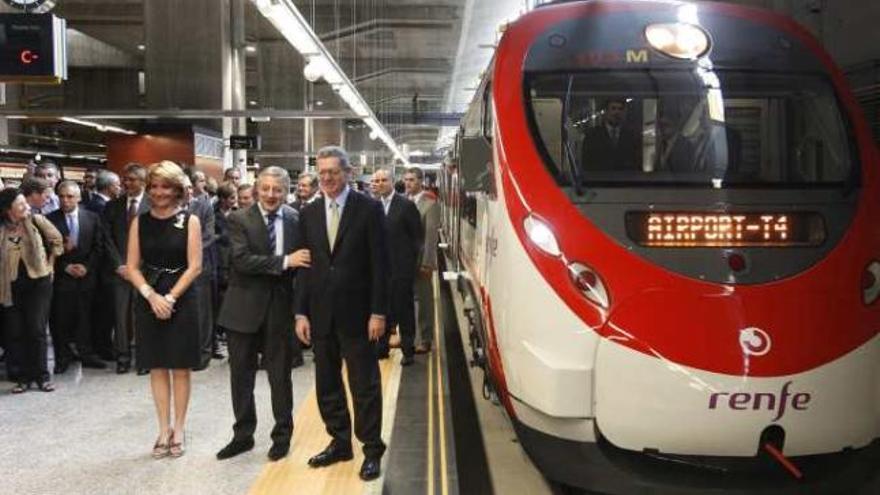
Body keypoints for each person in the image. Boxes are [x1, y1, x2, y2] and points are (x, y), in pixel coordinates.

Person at [295, 145, 390, 481]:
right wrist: (300, 313)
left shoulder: (369, 209)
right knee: (327, 383)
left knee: (364, 384)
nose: (327, 179)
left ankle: (372, 448)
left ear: (348, 172)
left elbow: (381, 265)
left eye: (333, 172)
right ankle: (339, 441)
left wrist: (379, 312)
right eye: (322, 173)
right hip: (321, 315)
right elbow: (305, 267)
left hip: (359, 314)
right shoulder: (308, 213)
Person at [216, 166, 310, 462]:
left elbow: (305, 266)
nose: (271, 195)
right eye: (266, 188)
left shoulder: (297, 219)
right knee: (240, 376)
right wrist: (285, 262)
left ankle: (282, 436)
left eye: (278, 189)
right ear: (257, 189)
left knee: (280, 377)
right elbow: (241, 261)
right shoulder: (238, 219)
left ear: (286, 191)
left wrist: (302, 311)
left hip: (280, 310)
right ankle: (243, 436)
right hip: (242, 308)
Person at [126, 161, 203, 458]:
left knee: (180, 366)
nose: (159, 192)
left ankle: (179, 428)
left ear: (177, 190)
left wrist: (169, 298)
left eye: (165, 186)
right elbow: (132, 266)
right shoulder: (139, 221)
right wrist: (150, 295)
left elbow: (195, 266)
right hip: (148, 293)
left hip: (181, 295)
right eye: (154, 186)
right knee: (157, 365)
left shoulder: (190, 221)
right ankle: (162, 429)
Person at [0, 187, 63, 393]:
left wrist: (51, 265)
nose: (26, 207)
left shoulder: (36, 221)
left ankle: (42, 376)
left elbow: (57, 240)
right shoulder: (2, 228)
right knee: (16, 332)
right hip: (10, 286)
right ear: (9, 210)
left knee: (36, 329)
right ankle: (23, 378)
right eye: (20, 204)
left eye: (25, 203)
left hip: (39, 283)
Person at [46, 181, 106, 373]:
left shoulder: (92, 218)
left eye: (70, 196)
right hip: (63, 279)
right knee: (61, 319)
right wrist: (65, 267)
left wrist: (87, 267)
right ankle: (63, 358)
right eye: (62, 196)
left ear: (79, 198)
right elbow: (45, 251)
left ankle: (86, 353)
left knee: (86, 317)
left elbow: (99, 247)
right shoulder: (49, 220)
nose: (65, 200)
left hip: (86, 278)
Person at [103, 162, 150, 374]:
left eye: (132, 180)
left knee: (143, 315)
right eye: (125, 179)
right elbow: (106, 238)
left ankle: (144, 358)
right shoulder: (112, 206)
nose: (126, 183)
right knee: (120, 316)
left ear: (143, 182)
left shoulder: (153, 205)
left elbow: (157, 238)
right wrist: (119, 265)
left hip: (145, 272)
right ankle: (123, 357)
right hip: (120, 271)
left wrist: (138, 267)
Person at [372, 169, 422, 365]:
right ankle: (381, 347)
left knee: (404, 310)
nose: (380, 183)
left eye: (384, 180)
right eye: (376, 180)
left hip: (401, 270)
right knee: (381, 309)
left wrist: (411, 265)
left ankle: (408, 351)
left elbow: (417, 238)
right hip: (378, 271)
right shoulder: (371, 205)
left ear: (392, 182)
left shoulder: (406, 206)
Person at [403, 166, 440, 354]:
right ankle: (408, 337)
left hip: (420, 261)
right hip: (404, 261)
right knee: (406, 301)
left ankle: (426, 339)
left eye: (412, 180)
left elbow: (431, 236)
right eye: (406, 179)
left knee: (424, 301)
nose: (408, 183)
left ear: (420, 181)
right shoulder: (403, 201)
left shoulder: (429, 204)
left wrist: (427, 262)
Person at [580, 99, 641, 171]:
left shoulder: (631, 136)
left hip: (625, 179)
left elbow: (636, 162)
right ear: (606, 112)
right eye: (613, 108)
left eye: (620, 109)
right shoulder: (592, 135)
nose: (617, 112)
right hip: (598, 179)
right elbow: (586, 163)